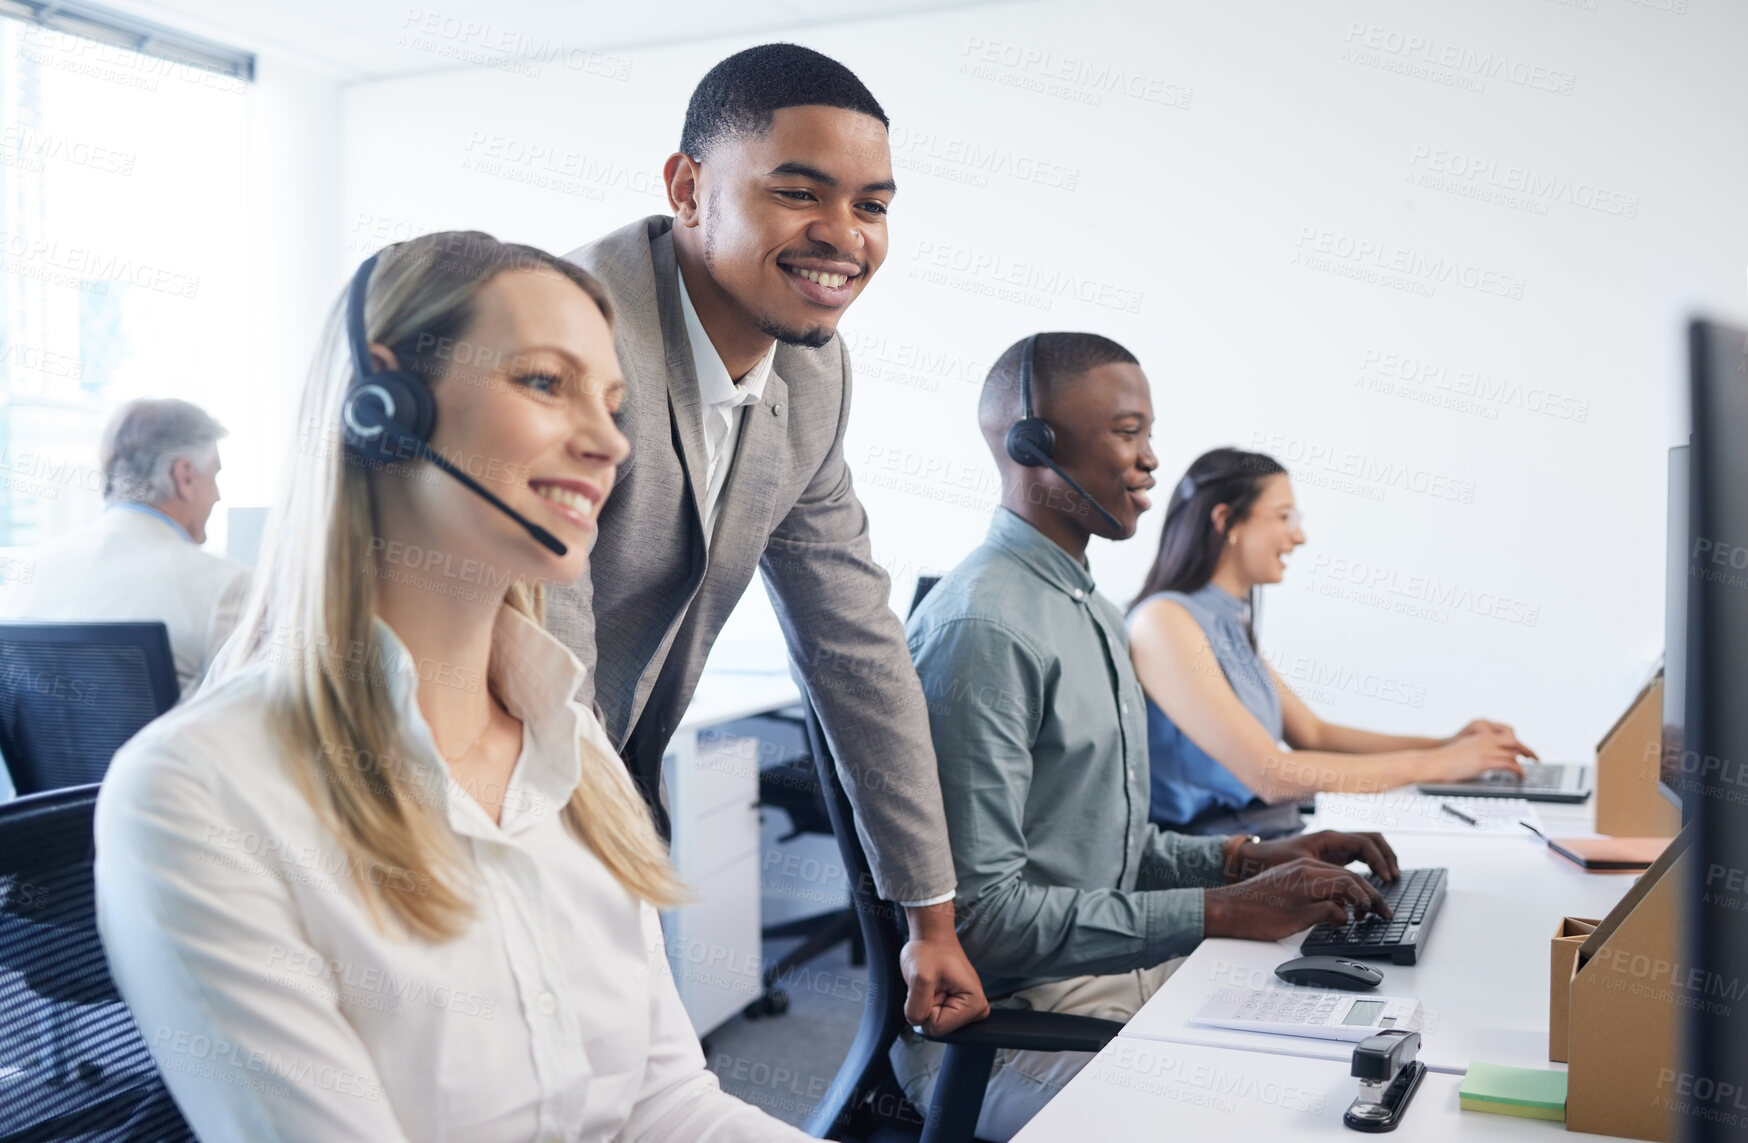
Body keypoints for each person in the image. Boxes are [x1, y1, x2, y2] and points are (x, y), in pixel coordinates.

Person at [94, 233, 812, 1141]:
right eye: (546, 383)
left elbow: (664, 1105)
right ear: (385, 407)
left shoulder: (572, 745)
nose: (608, 444)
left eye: (615, 401)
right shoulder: (200, 791)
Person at [546, 43, 987, 1033]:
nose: (844, 238)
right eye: (800, 194)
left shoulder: (809, 376)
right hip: (445, 816)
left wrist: (928, 914)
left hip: (597, 798)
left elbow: (854, 644)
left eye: (871, 207)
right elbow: (548, 668)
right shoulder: (565, 341)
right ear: (686, 188)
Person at [895, 334, 1399, 1140]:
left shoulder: (1091, 609)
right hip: (1012, 1028)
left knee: (1356, 1047)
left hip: (1114, 980)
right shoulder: (986, 627)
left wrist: (1245, 860)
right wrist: (1221, 910)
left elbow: (1103, 847)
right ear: (1035, 445)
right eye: (1127, 433)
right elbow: (982, 919)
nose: (1152, 461)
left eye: (1149, 434)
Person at [1127, 447, 1538, 835]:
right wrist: (1440, 764)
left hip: (1270, 840)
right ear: (1226, 521)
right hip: (1214, 862)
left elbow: (1314, 734)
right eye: (1284, 516)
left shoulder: (1228, 621)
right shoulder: (1163, 622)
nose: (1299, 536)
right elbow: (1272, 775)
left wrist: (1451, 744)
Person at [0, 397, 250, 696]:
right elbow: (251, 722)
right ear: (184, 477)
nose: (218, 496)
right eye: (215, 476)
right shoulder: (228, 587)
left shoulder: (30, 572)